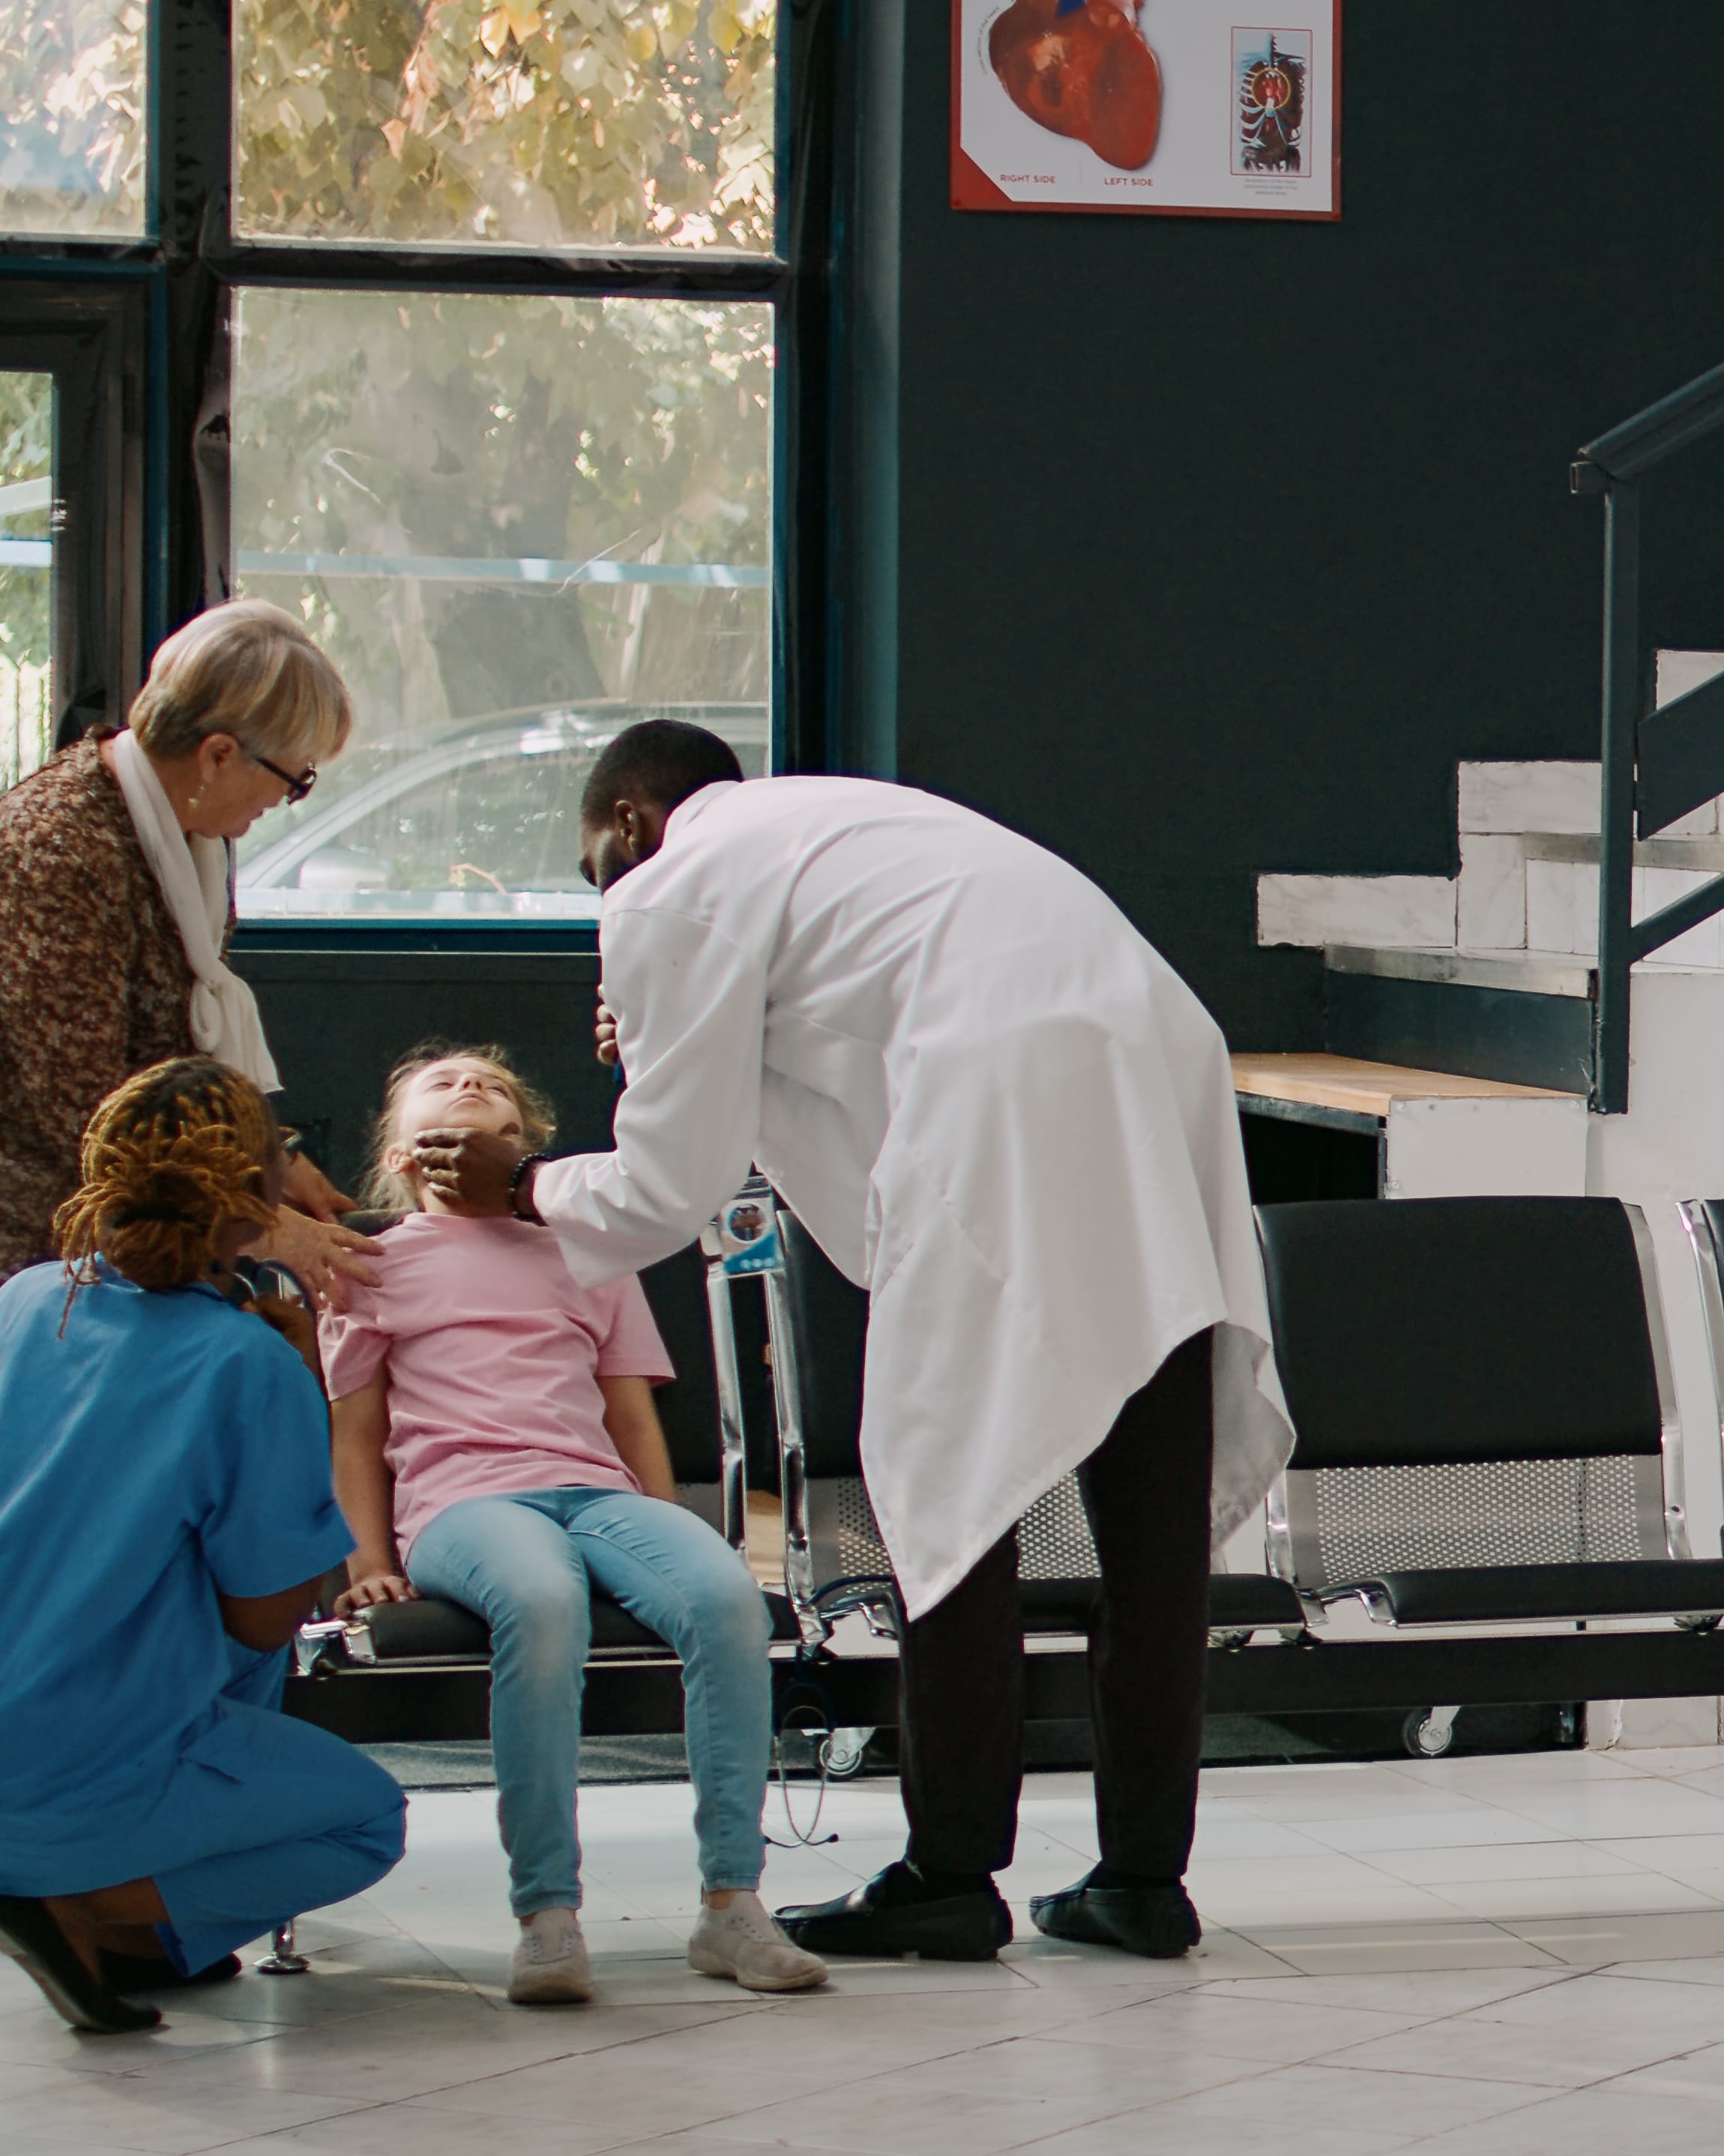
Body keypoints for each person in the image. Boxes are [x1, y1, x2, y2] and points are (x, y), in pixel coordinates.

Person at [414, 723, 1286, 1963]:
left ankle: (949, 1875)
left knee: (949, 1506)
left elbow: (671, 1184)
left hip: (1000, 1098)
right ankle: (1144, 1880)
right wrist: (676, 1038)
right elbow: (823, 1057)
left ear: (629, 823)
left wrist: (522, 1184)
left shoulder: (665, 883)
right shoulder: (837, 820)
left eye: (593, 865)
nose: (604, 893)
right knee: (1152, 1529)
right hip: (1152, 1061)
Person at [0, 1055, 410, 2035]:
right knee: (364, 1819)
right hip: (48, 1751)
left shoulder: (27, 1300)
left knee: (196, 1629)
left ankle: (134, 1941)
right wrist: (298, 1397)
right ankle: (76, 1904)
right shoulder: (247, 1360)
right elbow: (267, 1616)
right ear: (259, 1197)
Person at [323, 1042, 827, 2006]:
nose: (471, 1083)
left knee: (728, 1601)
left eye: (492, 1086)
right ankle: (547, 1914)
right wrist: (367, 1562)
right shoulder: (371, 1265)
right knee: (541, 1601)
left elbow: (631, 1415)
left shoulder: (586, 1251)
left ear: (523, 1143)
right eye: (444, 1083)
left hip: (595, 1495)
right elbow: (355, 1435)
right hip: (465, 1501)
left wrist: (665, 1533)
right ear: (399, 1155)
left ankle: (731, 1904)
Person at [0, 600, 385, 1452]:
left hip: (85, 1185)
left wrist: (275, 1161)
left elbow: (173, 1045)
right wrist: (265, 1224)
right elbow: (92, 1105)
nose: (287, 802)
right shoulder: (58, 847)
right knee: (21, 1470)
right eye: (296, 779)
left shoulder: (180, 826)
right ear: (218, 754)